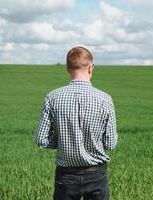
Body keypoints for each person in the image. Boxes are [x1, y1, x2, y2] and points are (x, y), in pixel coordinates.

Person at [34, 46, 118, 200]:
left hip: (66, 176)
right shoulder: (105, 99)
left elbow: (41, 140)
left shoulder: (52, 98)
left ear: (67, 68)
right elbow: (111, 143)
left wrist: (63, 140)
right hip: (96, 174)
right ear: (91, 68)